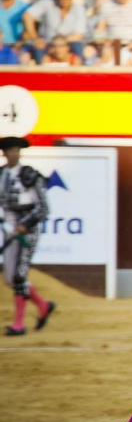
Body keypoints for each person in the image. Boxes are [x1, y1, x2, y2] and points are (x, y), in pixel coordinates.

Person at [2, 136, 57, 337]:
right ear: (4, 153)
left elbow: (44, 207)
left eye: (17, 150)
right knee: (9, 278)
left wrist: (25, 224)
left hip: (28, 230)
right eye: (10, 150)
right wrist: (8, 225)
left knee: (18, 276)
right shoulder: (0, 175)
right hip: (9, 229)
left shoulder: (30, 175)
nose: (14, 153)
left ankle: (18, 324)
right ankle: (43, 306)